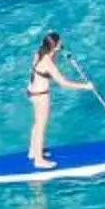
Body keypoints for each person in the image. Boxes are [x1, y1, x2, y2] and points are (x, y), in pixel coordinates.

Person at [26, 31, 96, 168]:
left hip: (31, 92)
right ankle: (39, 161)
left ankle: (33, 152)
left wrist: (59, 50)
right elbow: (64, 83)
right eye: (60, 43)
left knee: (36, 123)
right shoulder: (48, 63)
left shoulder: (39, 53)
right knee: (41, 127)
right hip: (41, 95)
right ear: (56, 46)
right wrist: (85, 86)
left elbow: (51, 56)